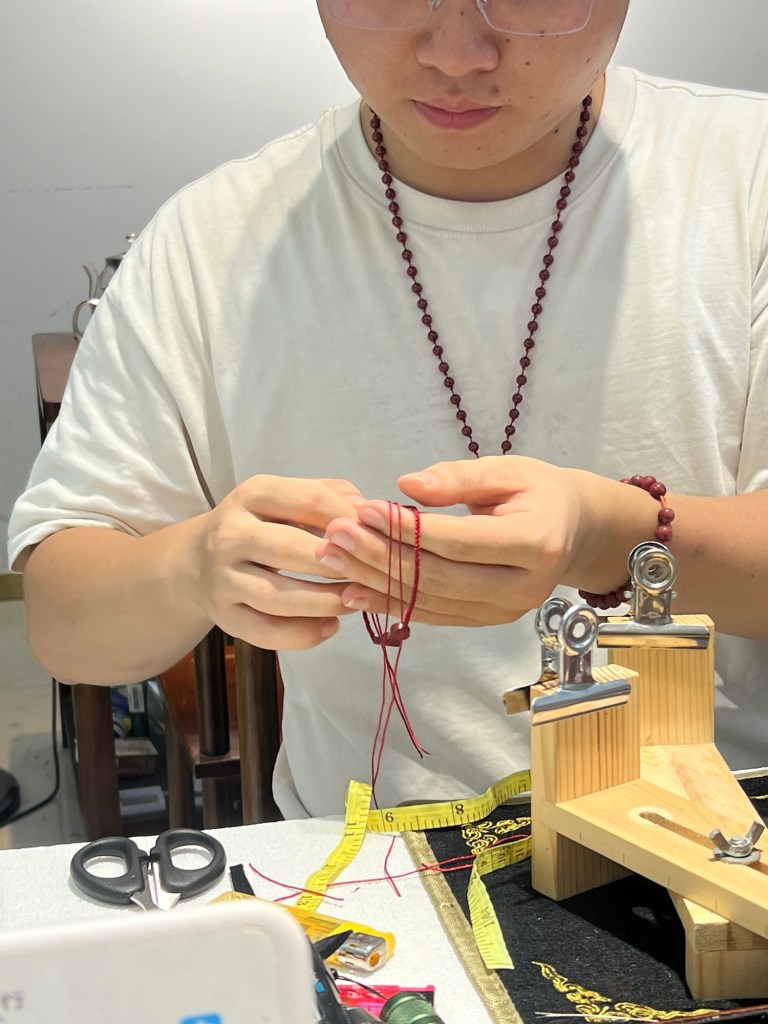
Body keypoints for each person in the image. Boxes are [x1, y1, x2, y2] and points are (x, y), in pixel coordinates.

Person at [8, 0, 768, 819]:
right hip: (372, 864)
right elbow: (63, 622)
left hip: (720, 839)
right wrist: (192, 569)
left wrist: (612, 539)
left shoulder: (741, 179)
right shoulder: (213, 244)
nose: (457, 53)